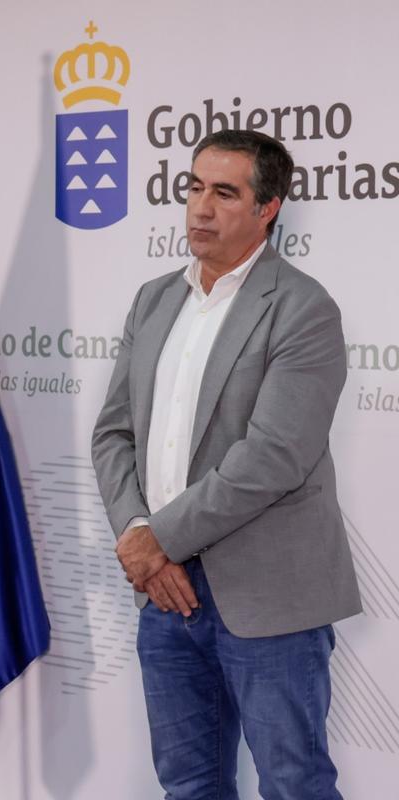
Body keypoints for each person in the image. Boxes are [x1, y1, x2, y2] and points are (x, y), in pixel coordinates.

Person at [92, 129, 360, 799]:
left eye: (224, 193)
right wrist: (139, 534)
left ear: (268, 208)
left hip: (267, 597)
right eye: (193, 188)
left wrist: (157, 540)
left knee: (294, 784)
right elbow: (114, 433)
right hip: (165, 593)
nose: (200, 208)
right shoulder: (155, 298)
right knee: (188, 785)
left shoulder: (302, 307)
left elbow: (275, 456)